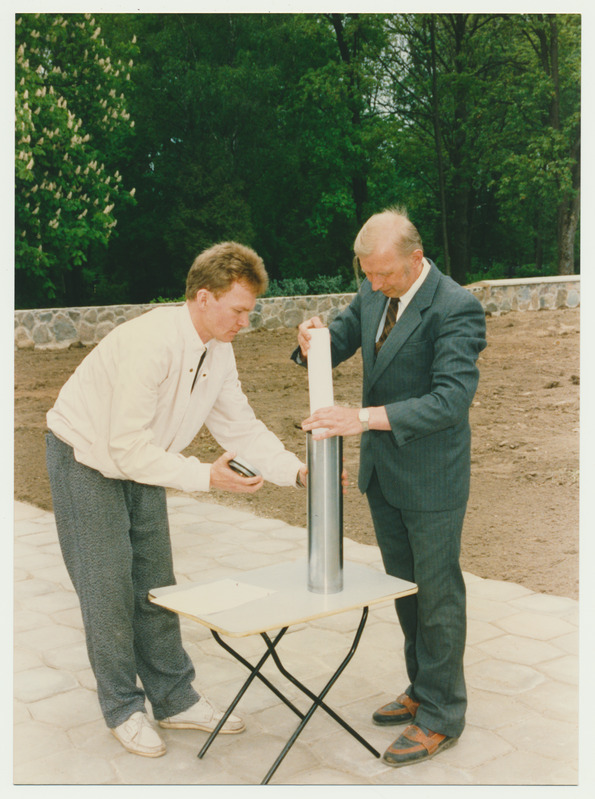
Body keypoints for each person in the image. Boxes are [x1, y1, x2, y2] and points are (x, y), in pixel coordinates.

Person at [46, 241, 307, 758]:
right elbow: (121, 447)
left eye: (248, 312)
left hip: (143, 457)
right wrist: (206, 477)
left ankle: (174, 698)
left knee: (155, 585)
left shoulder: (219, 350)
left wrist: (298, 472)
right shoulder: (152, 343)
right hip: (85, 456)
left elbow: (240, 427)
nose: (243, 323)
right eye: (238, 311)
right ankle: (123, 707)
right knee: (108, 587)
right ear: (204, 298)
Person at [295, 208, 487, 768]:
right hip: (385, 476)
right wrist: (315, 340)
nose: (373, 285)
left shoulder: (456, 308)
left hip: (432, 478)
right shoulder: (376, 284)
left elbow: (450, 400)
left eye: (383, 275)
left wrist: (362, 417)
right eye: (367, 274)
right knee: (407, 593)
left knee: (437, 596)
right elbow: (345, 333)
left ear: (416, 259)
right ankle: (422, 686)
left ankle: (442, 715)